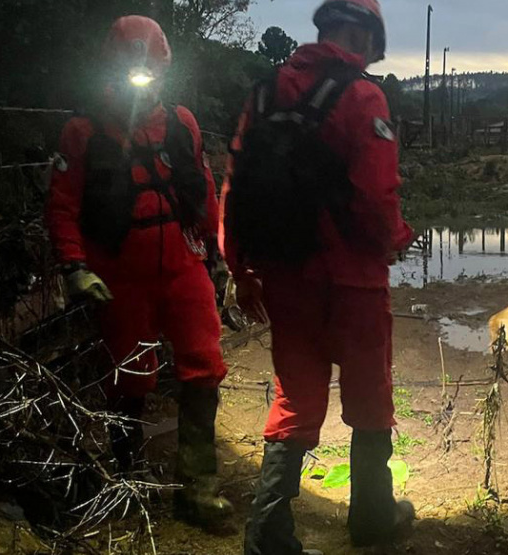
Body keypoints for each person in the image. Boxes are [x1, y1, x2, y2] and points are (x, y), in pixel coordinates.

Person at [220, 1, 415, 553]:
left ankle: (267, 533)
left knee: (295, 399)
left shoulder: (264, 95)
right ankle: (372, 517)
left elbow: (234, 186)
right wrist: (398, 237)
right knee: (370, 398)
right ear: (363, 35)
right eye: (373, 49)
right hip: (353, 282)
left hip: (285, 278)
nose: (371, 60)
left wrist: (240, 269)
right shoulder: (363, 96)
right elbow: (376, 197)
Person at [45, 15, 231, 527]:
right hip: (119, 275)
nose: (143, 76)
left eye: (153, 68)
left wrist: (216, 258)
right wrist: (74, 267)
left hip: (183, 266)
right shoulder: (83, 132)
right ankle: (129, 480)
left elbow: (203, 191)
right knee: (130, 377)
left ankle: (198, 488)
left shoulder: (181, 123)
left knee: (205, 365)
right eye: (133, 67)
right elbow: (62, 206)